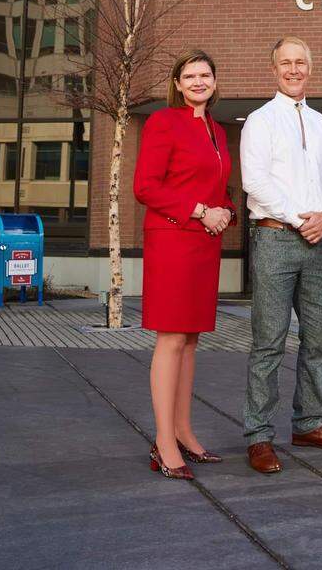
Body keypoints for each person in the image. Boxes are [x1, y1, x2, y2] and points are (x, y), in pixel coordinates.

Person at [239, 36, 322, 474]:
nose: (293, 69)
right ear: (274, 69)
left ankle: (308, 423)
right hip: (274, 238)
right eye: (285, 63)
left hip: (318, 243)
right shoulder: (260, 121)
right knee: (268, 341)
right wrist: (298, 218)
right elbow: (254, 181)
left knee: (319, 339)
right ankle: (258, 435)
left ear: (310, 68)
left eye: (300, 62)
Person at [133, 50, 235, 479]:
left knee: (191, 340)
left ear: (214, 81)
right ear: (177, 84)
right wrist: (198, 210)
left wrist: (226, 209)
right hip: (174, 239)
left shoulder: (216, 130)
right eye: (189, 76)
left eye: (205, 74)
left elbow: (218, 186)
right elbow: (145, 187)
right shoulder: (163, 122)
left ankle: (184, 431)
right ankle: (163, 442)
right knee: (171, 339)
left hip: (204, 243)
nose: (198, 81)